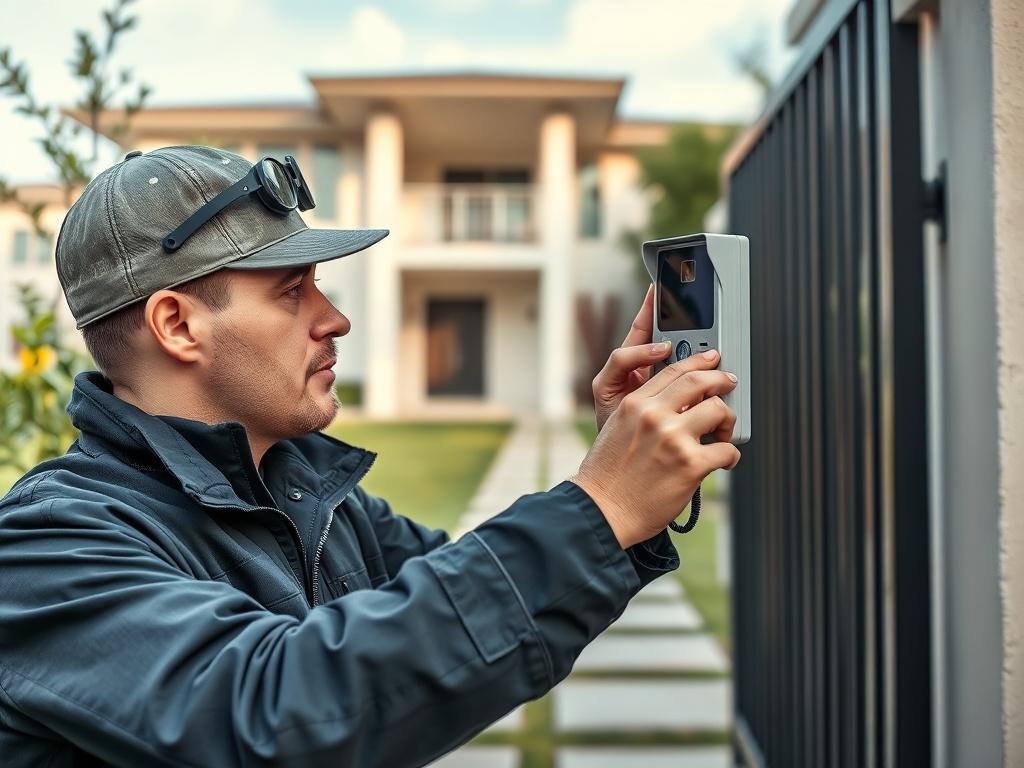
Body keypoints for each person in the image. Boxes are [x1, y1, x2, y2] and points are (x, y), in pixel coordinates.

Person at [0, 146, 741, 767]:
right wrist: (599, 506)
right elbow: (273, 715)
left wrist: (629, 486)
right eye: (293, 293)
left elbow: (465, 629)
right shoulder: (46, 549)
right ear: (178, 325)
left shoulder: (303, 493)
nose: (336, 319)